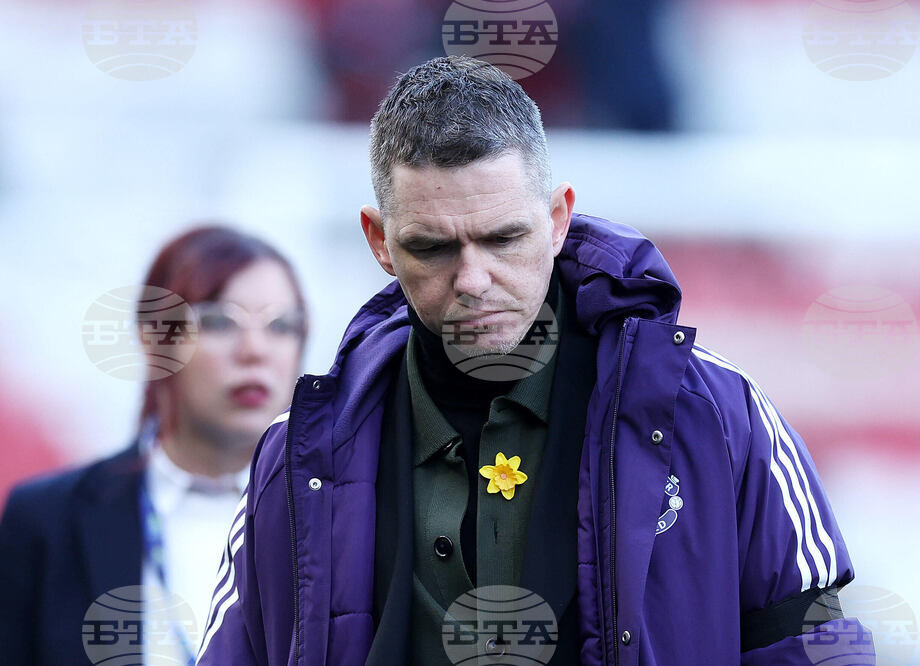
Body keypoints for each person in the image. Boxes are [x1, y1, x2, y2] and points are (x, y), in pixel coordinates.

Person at [197, 56, 873, 665]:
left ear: (558, 218)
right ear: (379, 239)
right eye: (432, 247)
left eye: (504, 238)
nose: (473, 278)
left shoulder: (718, 414)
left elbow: (811, 645)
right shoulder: (300, 458)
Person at [0, 226, 308, 665]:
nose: (255, 349)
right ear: (153, 338)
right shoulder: (49, 521)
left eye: (282, 325)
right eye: (219, 321)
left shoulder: (339, 515)